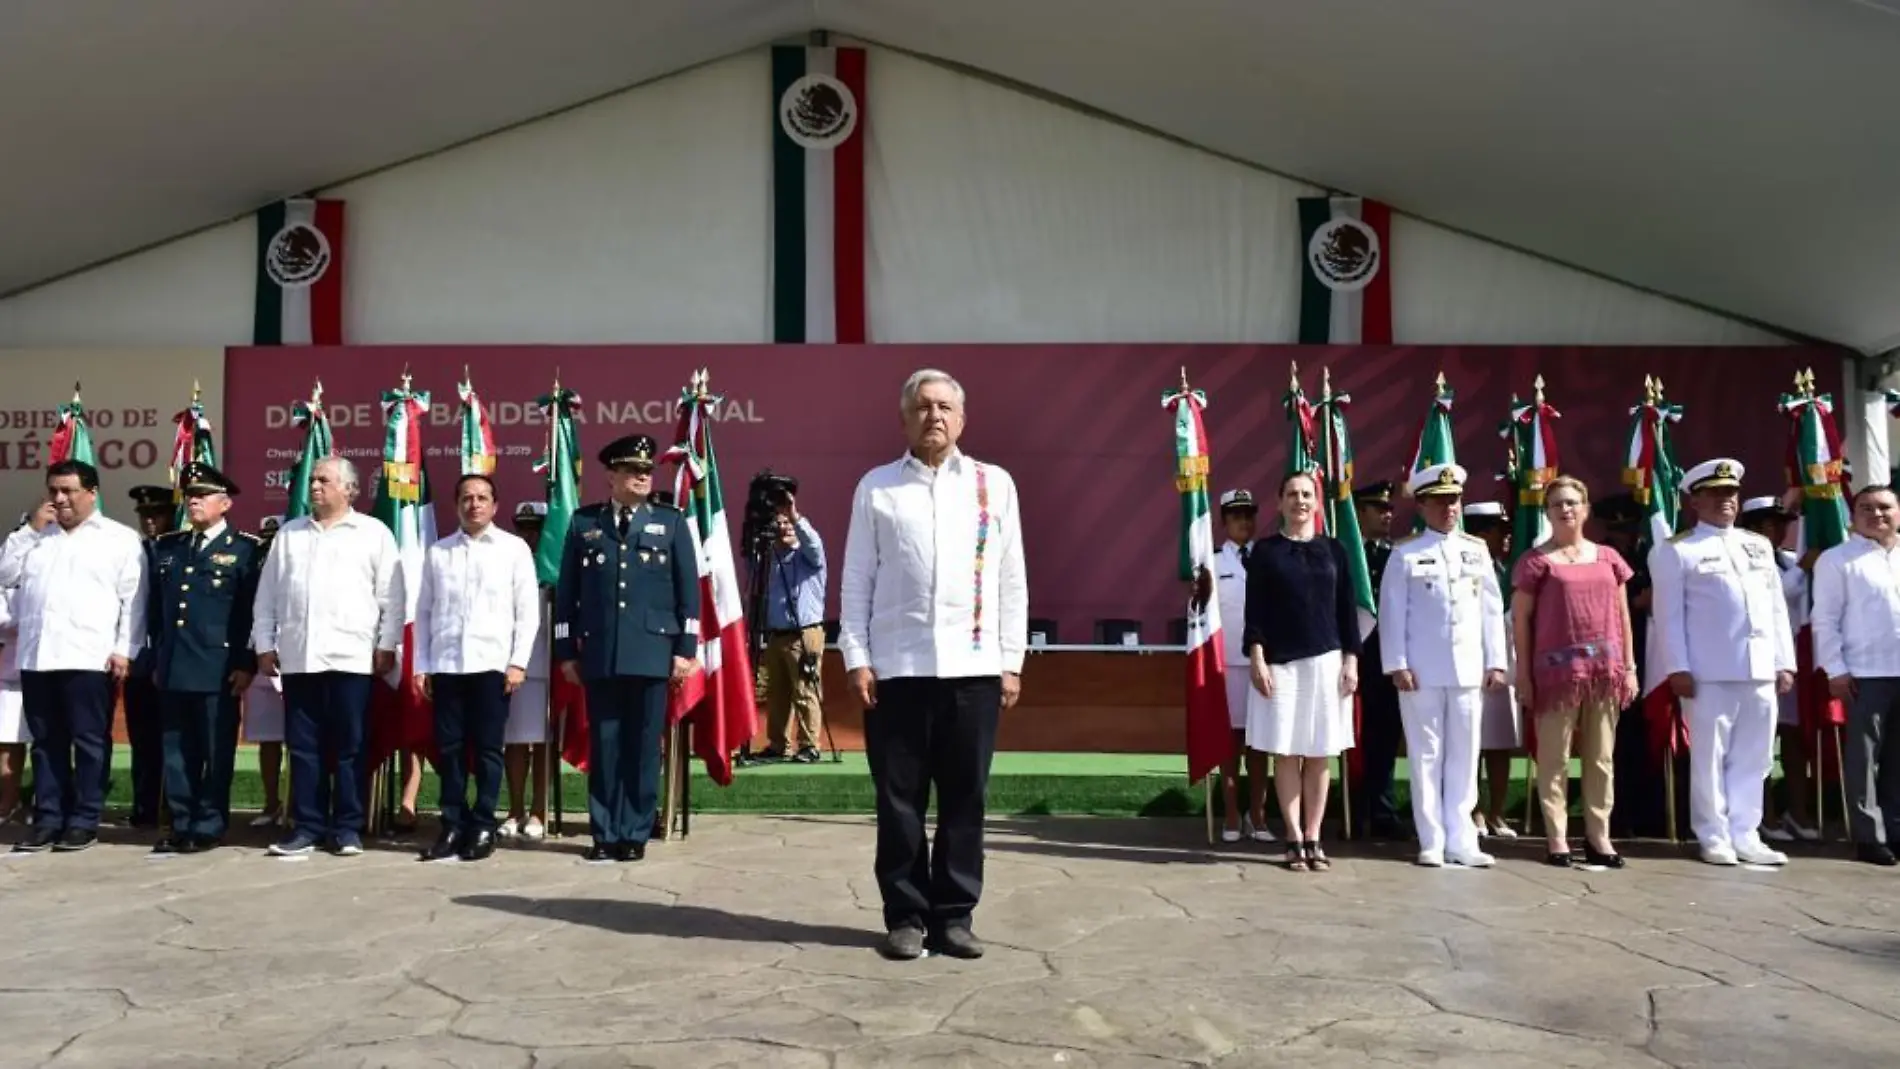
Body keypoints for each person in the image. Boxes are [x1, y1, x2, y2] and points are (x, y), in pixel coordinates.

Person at [840, 368, 1027, 961]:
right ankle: (905, 916)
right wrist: (856, 656)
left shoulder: (993, 485)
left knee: (965, 798)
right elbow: (855, 580)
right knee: (899, 801)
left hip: (973, 669)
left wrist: (1011, 660)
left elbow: (1012, 578)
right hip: (897, 670)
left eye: (945, 406)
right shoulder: (877, 487)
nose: (934, 417)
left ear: (962, 418)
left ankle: (954, 916)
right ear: (904, 418)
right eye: (923, 407)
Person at [553, 434, 699, 863]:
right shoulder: (584, 523)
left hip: (653, 653)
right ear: (611, 475)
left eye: (646, 471)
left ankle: (635, 830)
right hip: (600, 652)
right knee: (605, 744)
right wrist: (566, 651)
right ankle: (604, 831)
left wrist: (684, 649)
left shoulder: (670, 523)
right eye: (632, 470)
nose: (641, 476)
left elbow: (687, 595)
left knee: (641, 746)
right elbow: (568, 594)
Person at [252, 456, 404, 857]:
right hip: (300, 659)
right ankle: (307, 826)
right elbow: (267, 594)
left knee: (351, 746)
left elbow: (392, 596)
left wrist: (387, 645)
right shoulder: (289, 534)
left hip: (352, 659)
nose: (315, 486)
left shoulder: (373, 533)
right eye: (313, 480)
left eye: (324, 480)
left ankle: (348, 827)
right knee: (303, 747)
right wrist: (265, 644)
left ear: (349, 489)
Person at [1650, 458, 1796, 867]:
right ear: (1695, 501)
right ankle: (1713, 834)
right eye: (1715, 494)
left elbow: (1775, 607)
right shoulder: (1679, 550)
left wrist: (1784, 661)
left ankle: (1746, 833)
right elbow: (1669, 615)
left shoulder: (1758, 545)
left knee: (1756, 754)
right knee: (1710, 756)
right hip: (1708, 671)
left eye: (1730, 493)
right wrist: (1676, 666)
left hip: (1759, 667)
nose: (1725, 501)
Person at [2, 460, 148, 853]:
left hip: (89, 656)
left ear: (92, 492)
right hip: (37, 655)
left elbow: (134, 600)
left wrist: (124, 649)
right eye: (53, 490)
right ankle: (49, 818)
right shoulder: (37, 538)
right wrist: (30, 530)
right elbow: (5, 574)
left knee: (88, 741)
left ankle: (84, 819)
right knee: (46, 742)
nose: (59, 499)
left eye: (68, 490)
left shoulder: (119, 539)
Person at [1378, 465, 1508, 868]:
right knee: (1426, 754)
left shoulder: (1477, 549)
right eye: (1439, 501)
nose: (1448, 508)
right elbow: (1392, 612)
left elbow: (1491, 609)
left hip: (1469, 669)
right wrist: (1397, 663)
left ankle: (1462, 838)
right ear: (1422, 505)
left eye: (1453, 500)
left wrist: (1497, 660)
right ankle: (1431, 838)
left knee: (1465, 755)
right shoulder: (1405, 552)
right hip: (1421, 670)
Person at [1511, 476, 1640, 868]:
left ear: (1585, 509)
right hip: (1555, 678)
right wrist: (1524, 676)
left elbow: (1623, 616)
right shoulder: (1535, 562)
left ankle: (1599, 836)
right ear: (1547, 513)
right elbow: (1521, 621)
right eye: (1557, 504)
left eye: (1572, 502)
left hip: (1604, 672)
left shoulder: (1608, 559)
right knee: (1554, 759)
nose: (1565, 510)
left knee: (1601, 758)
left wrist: (1630, 668)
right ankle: (1557, 839)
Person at [414, 474, 541, 863]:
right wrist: (422, 664)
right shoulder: (439, 552)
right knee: (449, 750)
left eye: (482, 497)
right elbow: (424, 612)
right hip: (448, 665)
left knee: (488, 750)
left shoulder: (513, 549)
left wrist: (518, 661)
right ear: (456, 505)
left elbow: (527, 612)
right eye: (466, 498)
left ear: (495, 505)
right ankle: (453, 823)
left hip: (492, 665)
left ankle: (484, 823)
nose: (474, 504)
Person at [1243, 470, 1361, 873]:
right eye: (1292, 494)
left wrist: (1351, 659)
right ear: (1279, 503)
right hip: (1280, 665)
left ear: (1317, 502)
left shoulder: (1335, 551)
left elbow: (1348, 611)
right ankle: (1293, 837)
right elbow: (1254, 610)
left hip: (1327, 662)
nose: (1300, 501)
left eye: (1307, 494)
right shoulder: (1265, 551)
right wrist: (1256, 657)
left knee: (1318, 753)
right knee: (1287, 752)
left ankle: (1314, 836)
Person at [146, 464, 261, 854]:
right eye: (190, 494)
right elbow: (156, 611)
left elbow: (249, 612)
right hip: (175, 664)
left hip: (218, 668)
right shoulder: (169, 546)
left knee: (216, 750)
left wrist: (245, 663)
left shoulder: (245, 549)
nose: (193, 499)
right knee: (177, 751)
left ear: (225, 503)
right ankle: (181, 822)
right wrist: (157, 656)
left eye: (203, 494)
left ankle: (209, 824)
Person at [1810, 484, 1900, 866]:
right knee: (1863, 759)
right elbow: (1824, 619)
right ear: (1853, 514)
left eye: (1885, 507)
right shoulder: (1837, 559)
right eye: (1866, 508)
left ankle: (1896, 829)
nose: (1876, 515)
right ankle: (1868, 835)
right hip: (1866, 671)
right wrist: (1836, 669)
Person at [1738, 495, 1819, 843]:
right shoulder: (1744, 559)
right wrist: (1804, 568)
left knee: (1795, 739)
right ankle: (1763, 813)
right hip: (1757, 661)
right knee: (1759, 744)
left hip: (1792, 662)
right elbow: (1770, 596)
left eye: (1785, 523)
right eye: (1774, 523)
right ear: (1754, 527)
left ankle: (1797, 812)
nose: (1782, 530)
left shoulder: (1787, 560)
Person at [752, 476, 828, 764]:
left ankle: (809, 744)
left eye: (788, 524)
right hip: (776, 634)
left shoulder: (808, 555)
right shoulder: (769, 559)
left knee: (805, 690)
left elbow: (813, 545)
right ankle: (777, 744)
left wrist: (795, 515)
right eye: (779, 523)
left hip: (803, 633)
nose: (783, 528)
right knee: (778, 693)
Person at [1213, 488, 1272, 843]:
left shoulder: (1267, 557)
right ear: (1224, 522)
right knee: (1231, 745)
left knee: (1260, 744)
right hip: (1229, 665)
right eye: (1236, 516)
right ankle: (1232, 814)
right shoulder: (1213, 563)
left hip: (1263, 663)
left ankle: (1259, 815)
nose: (1244, 522)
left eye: (1249, 515)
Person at [1462, 501, 1522, 839]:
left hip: (1503, 664)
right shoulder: (1466, 564)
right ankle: (1473, 812)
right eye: (1502, 531)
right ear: (1482, 533)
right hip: (1468, 663)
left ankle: (1497, 812)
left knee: (1499, 744)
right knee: (1468, 743)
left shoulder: (1508, 571)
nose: (1507, 539)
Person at [1353, 480, 1408, 839]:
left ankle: (1383, 811)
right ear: (1359, 513)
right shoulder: (1346, 555)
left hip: (1387, 659)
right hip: (1353, 658)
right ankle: (1353, 811)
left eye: (1389, 509)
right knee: (1352, 737)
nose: (1387, 514)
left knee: (1385, 738)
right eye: (1379, 508)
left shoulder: (1397, 555)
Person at [124, 483, 178, 829]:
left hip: (170, 656)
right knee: (141, 737)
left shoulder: (178, 552)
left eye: (156, 514)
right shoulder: (133, 552)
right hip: (139, 657)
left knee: (173, 737)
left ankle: (174, 805)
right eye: (144, 515)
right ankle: (144, 805)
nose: (149, 521)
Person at [500, 501, 552, 842]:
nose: (530, 535)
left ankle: (538, 811)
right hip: (512, 662)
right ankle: (515, 808)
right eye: (524, 528)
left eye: (537, 528)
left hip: (546, 663)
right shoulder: (506, 560)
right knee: (515, 742)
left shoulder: (557, 564)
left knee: (543, 742)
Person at [0, 505, 50, 823]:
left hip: (51, 664)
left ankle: (48, 805)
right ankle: (8, 802)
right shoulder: (8, 574)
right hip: (12, 670)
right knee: (8, 742)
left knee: (49, 740)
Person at [242, 515, 287, 828]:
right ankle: (272, 803)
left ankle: (299, 805)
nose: (270, 545)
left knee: (304, 742)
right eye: (266, 539)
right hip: (261, 660)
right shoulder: (250, 567)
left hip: (302, 660)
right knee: (269, 739)